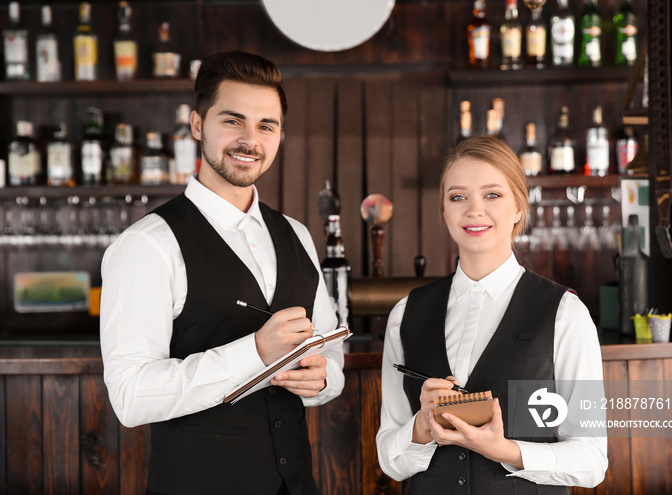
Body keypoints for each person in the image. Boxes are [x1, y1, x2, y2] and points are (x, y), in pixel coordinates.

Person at [100, 50, 344, 495]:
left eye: (266, 126)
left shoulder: (297, 235)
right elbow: (130, 398)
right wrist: (255, 352)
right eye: (233, 121)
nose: (250, 139)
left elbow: (329, 353)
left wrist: (323, 377)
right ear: (197, 125)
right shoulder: (148, 245)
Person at [376, 136, 607, 493]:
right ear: (444, 211)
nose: (474, 210)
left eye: (492, 195)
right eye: (457, 197)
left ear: (518, 207)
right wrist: (421, 427)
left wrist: (507, 451)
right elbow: (390, 460)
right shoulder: (406, 313)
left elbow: (592, 460)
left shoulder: (565, 314)